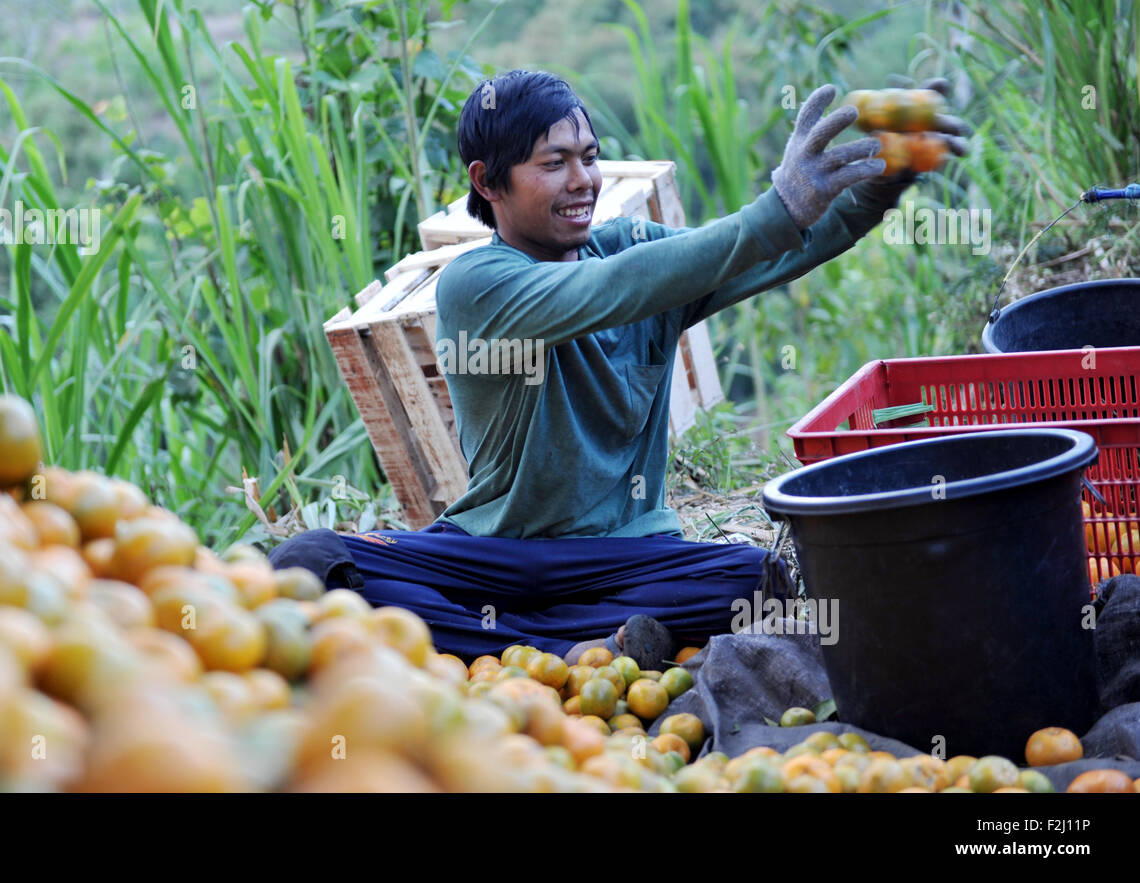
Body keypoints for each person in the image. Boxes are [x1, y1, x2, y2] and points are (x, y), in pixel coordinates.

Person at [271, 69, 969, 668]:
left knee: (752, 578)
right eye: (554, 163)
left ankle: (533, 644)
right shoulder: (476, 283)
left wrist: (880, 185)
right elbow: (610, 291)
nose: (583, 181)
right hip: (496, 554)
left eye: (590, 156)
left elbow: (774, 248)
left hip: (626, 558)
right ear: (489, 183)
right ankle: (568, 644)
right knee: (310, 560)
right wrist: (774, 207)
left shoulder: (632, 251)